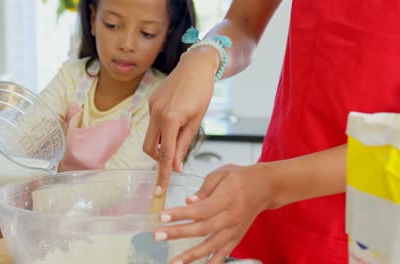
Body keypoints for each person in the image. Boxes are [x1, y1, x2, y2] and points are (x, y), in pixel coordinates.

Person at [143, 0, 400, 263]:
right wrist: (206, 56)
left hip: (375, 238)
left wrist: (269, 184)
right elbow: (243, 22)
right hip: (271, 219)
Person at [0, 0, 196, 238]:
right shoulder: (72, 78)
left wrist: (27, 202)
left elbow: (114, 186)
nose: (127, 43)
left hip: (124, 243)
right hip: (57, 236)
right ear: (93, 19)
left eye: (147, 33)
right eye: (113, 24)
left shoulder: (162, 100)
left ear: (166, 36)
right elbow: (22, 137)